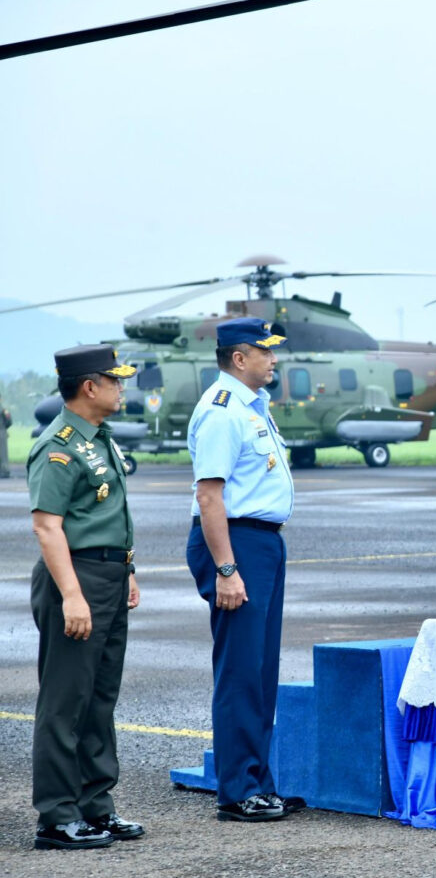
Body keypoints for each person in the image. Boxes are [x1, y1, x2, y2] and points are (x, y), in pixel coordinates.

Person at [26, 345, 143, 849]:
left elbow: (108, 514)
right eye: (115, 380)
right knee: (64, 701)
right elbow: (48, 527)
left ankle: (96, 806)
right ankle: (56, 815)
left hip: (109, 576)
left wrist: (128, 570)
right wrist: (72, 596)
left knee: (99, 699)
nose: (123, 388)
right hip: (75, 579)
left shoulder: (102, 439)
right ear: (89, 387)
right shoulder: (59, 444)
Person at [186, 317, 298, 822]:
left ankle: (259, 781)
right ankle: (237, 790)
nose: (273, 359)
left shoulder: (253, 409)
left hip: (261, 543)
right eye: (265, 351)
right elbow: (209, 496)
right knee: (239, 672)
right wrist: (226, 568)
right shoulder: (223, 412)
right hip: (235, 542)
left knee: (260, 671)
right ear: (238, 358)